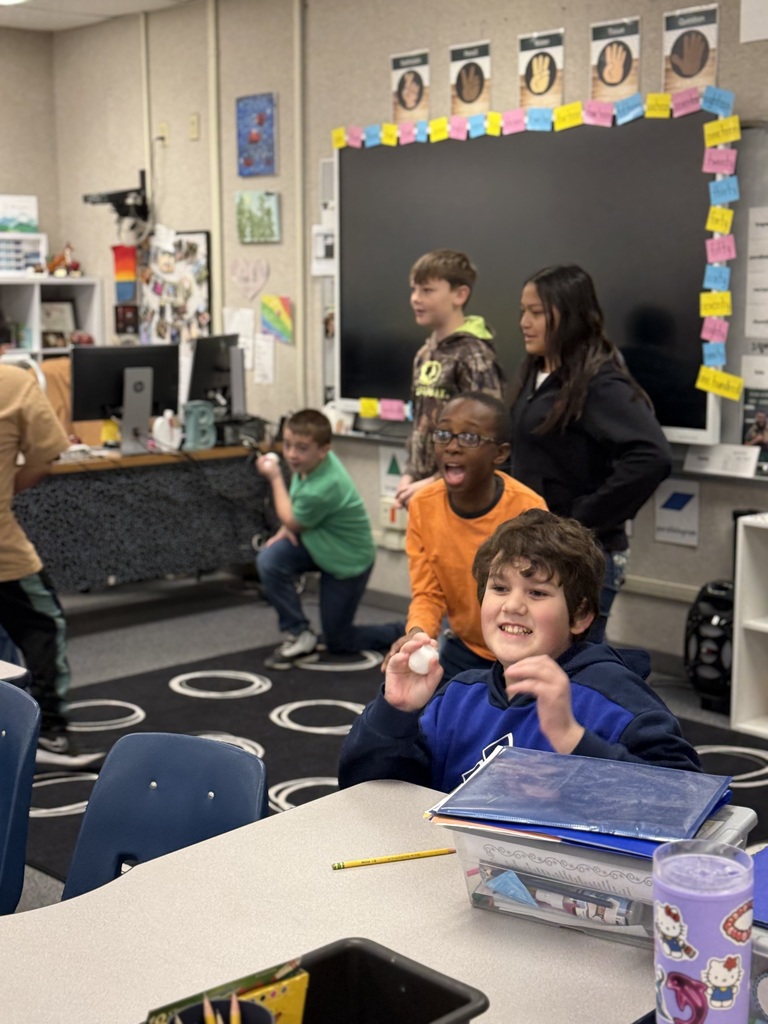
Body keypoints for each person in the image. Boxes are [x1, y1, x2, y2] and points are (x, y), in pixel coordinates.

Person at [338, 509, 700, 793]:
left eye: (537, 592)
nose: (512, 605)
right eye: (499, 588)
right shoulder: (458, 697)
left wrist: (573, 739)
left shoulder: (614, 698)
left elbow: (688, 800)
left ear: (580, 615)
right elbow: (371, 794)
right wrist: (395, 713)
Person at [509, 265, 672, 641]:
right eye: (523, 311)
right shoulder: (534, 371)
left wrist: (578, 520)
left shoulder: (599, 382)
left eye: (536, 312)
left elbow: (652, 456)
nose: (524, 322)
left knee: (574, 669)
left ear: (569, 316)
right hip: (537, 552)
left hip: (582, 560)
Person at [390, 391, 546, 679]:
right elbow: (428, 594)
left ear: (500, 454)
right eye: (443, 434)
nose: (452, 447)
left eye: (469, 438)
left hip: (523, 650)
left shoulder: (528, 509)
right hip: (466, 648)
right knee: (415, 703)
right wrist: (417, 634)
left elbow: (537, 598)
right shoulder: (423, 506)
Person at [0, 364, 101, 766]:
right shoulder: (14, 383)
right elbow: (45, 458)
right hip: (3, 549)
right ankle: (51, 733)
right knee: (44, 624)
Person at [255, 408, 403, 669]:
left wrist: (275, 477)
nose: (291, 454)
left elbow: (292, 518)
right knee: (270, 559)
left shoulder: (325, 485)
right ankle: (300, 633)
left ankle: (402, 630)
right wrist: (288, 527)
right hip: (319, 544)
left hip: (348, 560)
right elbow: (294, 517)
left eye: (301, 448)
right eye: (287, 445)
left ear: (323, 450)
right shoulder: (310, 463)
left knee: (339, 641)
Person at [395, 249, 504, 508]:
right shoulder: (424, 353)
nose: (415, 298)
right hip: (423, 489)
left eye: (427, 290)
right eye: (414, 289)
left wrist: (435, 482)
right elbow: (419, 424)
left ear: (460, 295)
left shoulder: (473, 354)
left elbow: (484, 437)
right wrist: (410, 474)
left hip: (460, 493)